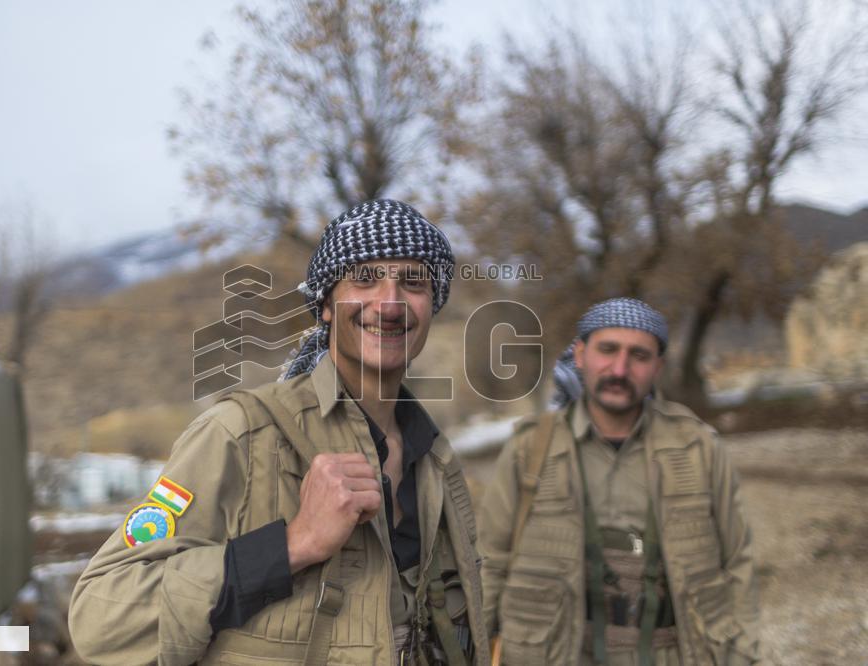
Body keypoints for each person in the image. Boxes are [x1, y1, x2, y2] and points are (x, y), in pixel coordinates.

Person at [69, 199, 489, 665]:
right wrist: (292, 545)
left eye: (413, 282)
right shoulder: (242, 435)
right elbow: (100, 619)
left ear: (432, 306)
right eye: (365, 279)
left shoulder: (435, 461)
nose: (389, 304)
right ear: (327, 304)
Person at [479, 297, 761, 665]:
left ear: (658, 366)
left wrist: (742, 654)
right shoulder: (529, 448)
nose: (620, 368)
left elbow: (738, 559)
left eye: (639, 356)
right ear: (580, 355)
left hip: (673, 652)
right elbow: (489, 563)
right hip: (557, 653)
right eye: (607, 350)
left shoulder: (697, 445)